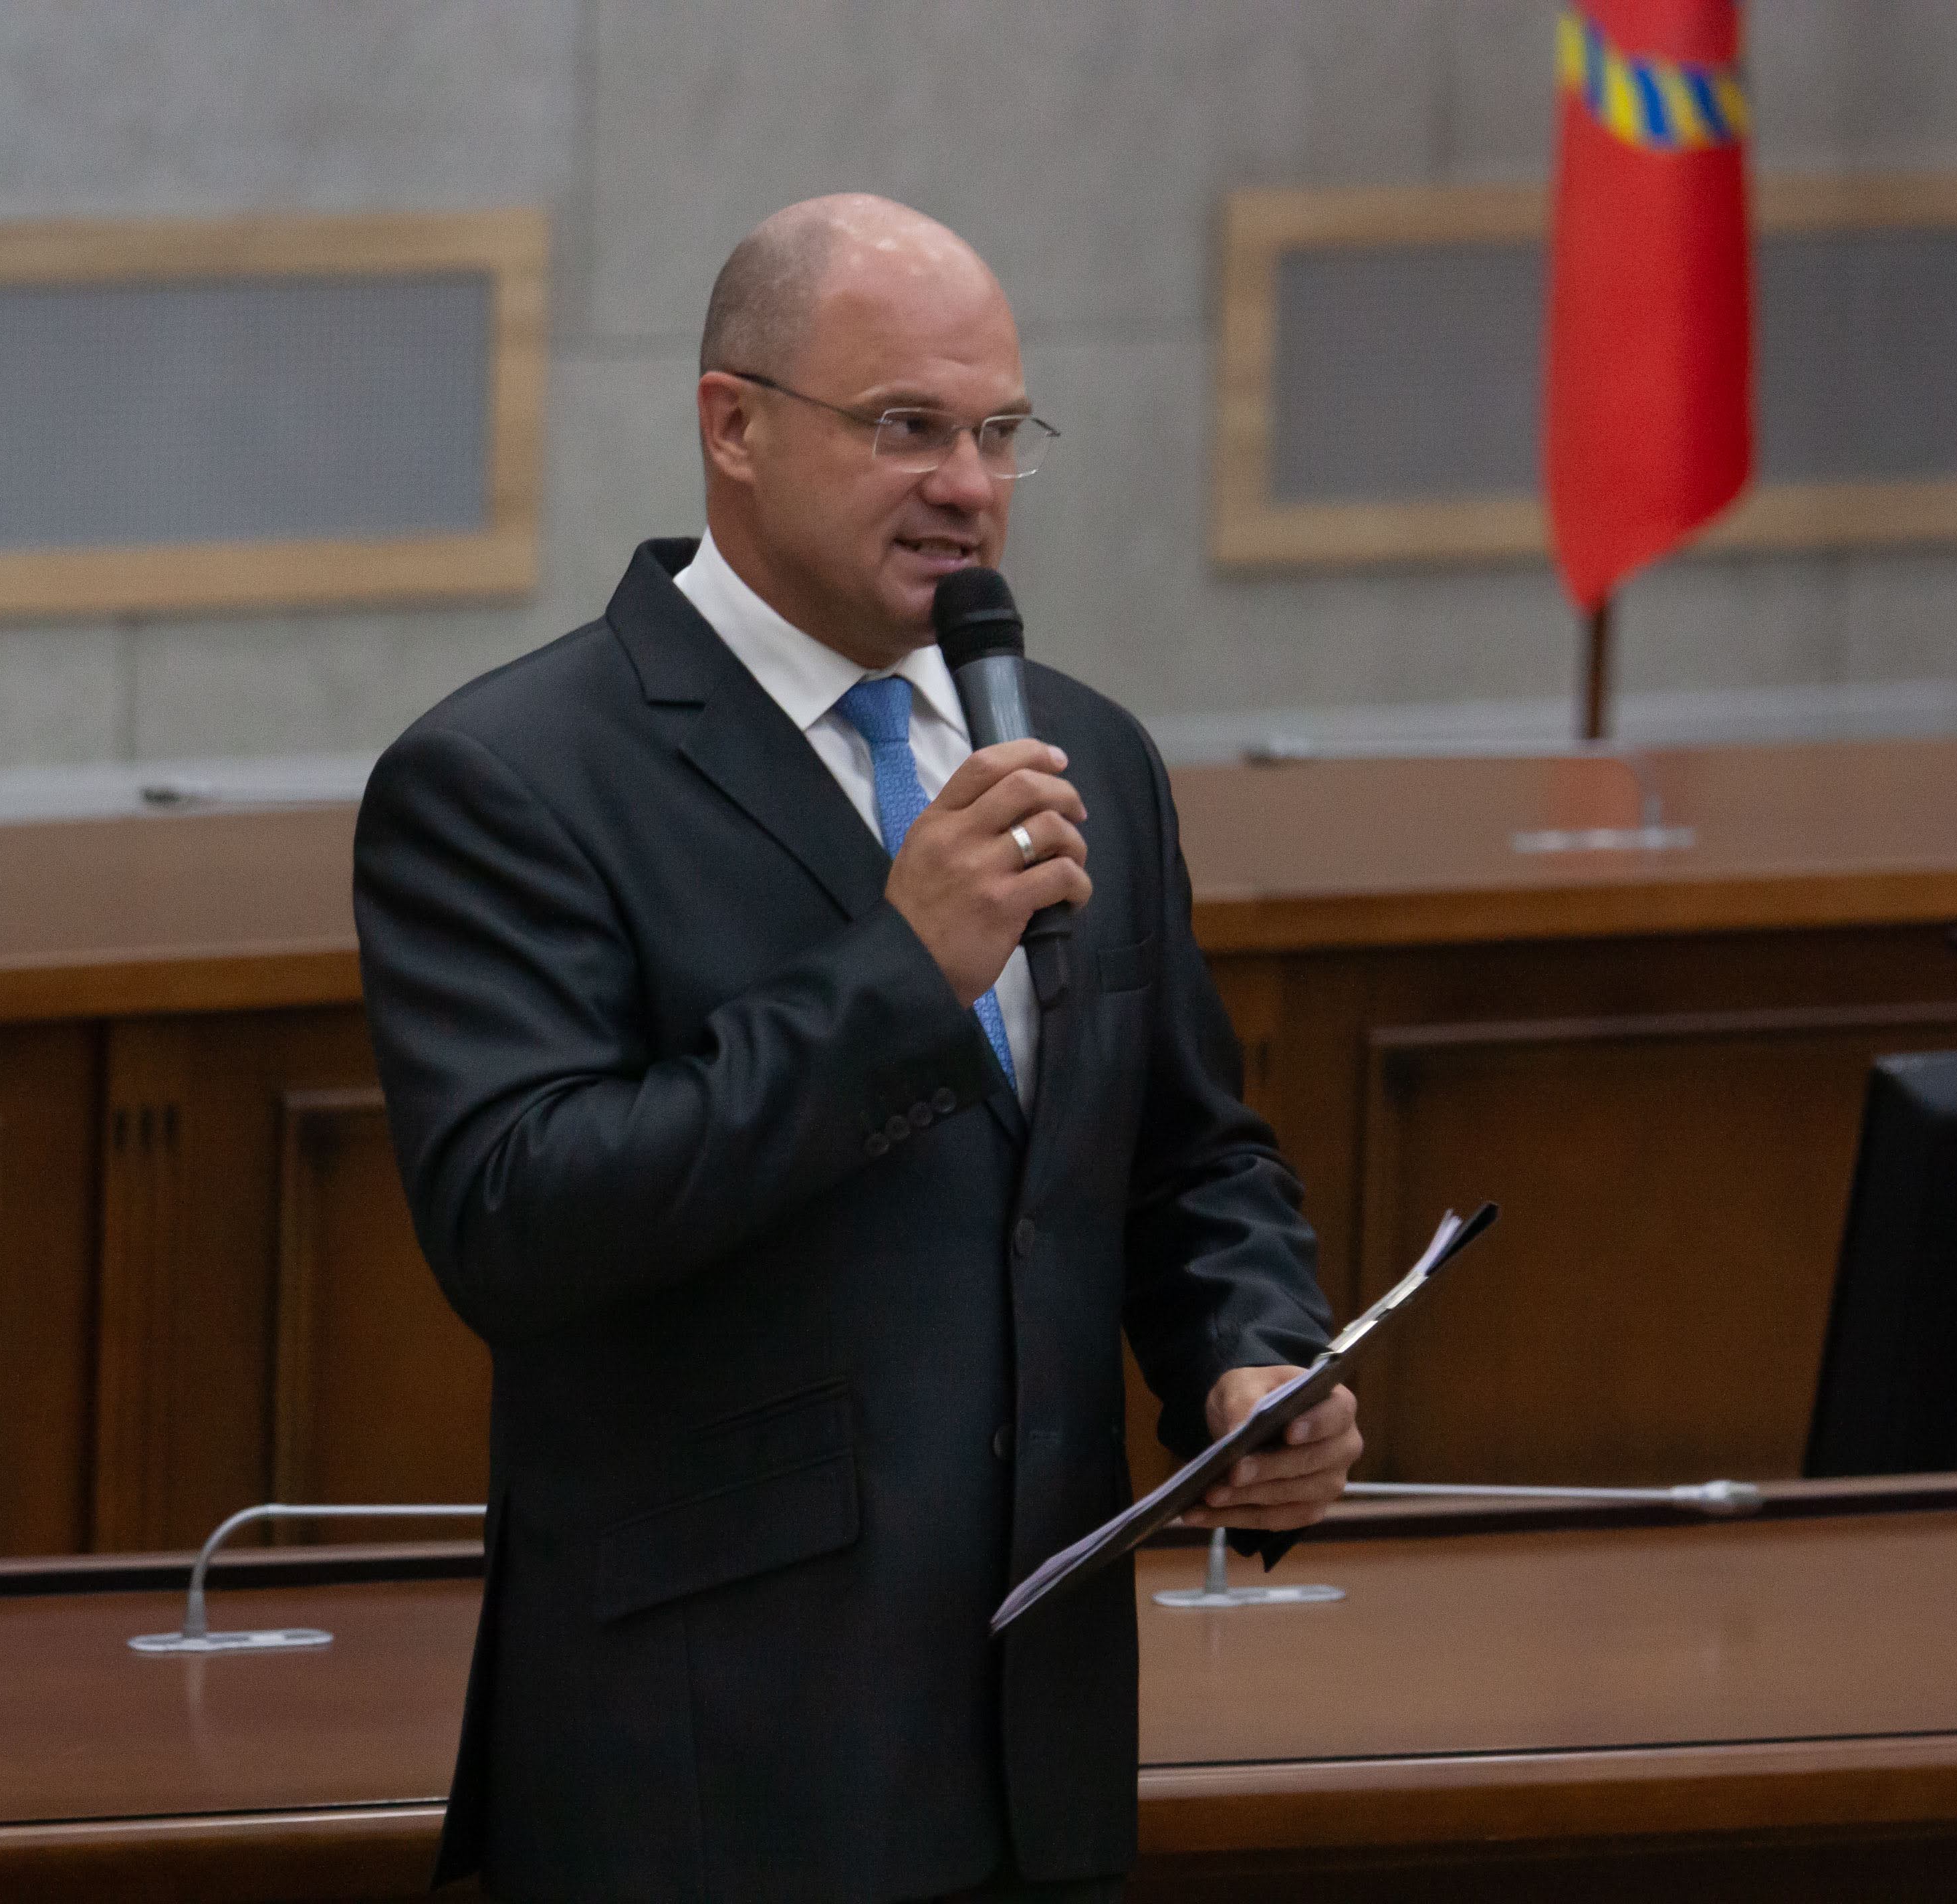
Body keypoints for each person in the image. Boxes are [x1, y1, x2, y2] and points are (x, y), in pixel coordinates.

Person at [354, 193, 1357, 1904]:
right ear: (732, 426)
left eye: (1000, 432)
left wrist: (1250, 1359)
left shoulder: (1085, 753)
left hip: (1037, 1745)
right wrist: (898, 975)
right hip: (710, 1766)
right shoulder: (510, 779)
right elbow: (520, 1221)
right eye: (907, 427)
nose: (969, 484)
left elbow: (1188, 1155)